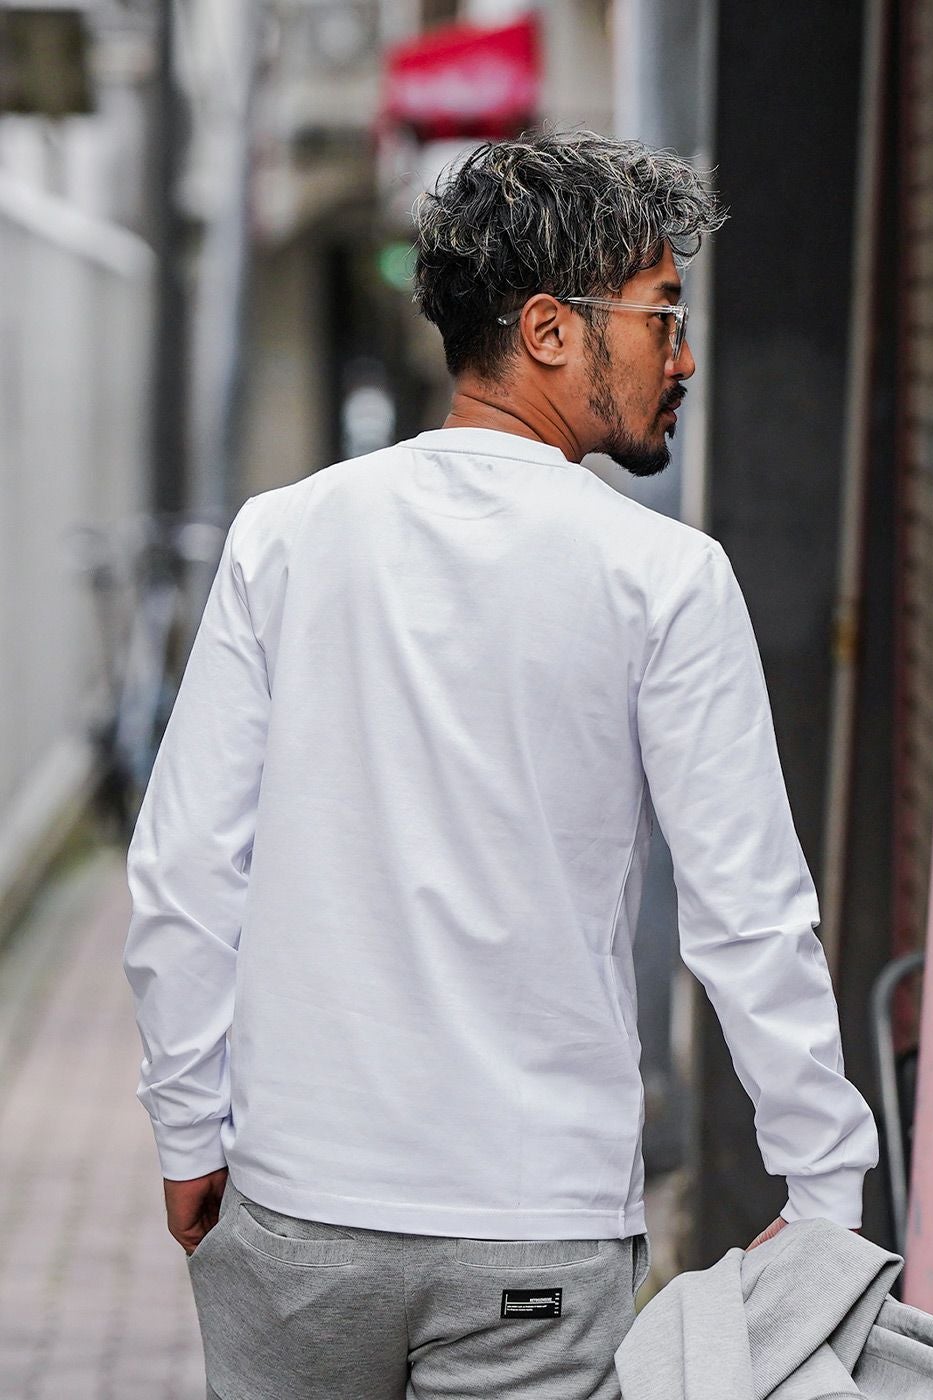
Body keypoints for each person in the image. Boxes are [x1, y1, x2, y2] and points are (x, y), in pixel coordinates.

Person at [123, 128, 878, 1400]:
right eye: (662, 315)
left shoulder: (285, 538)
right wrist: (824, 1191)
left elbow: (185, 870)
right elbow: (746, 907)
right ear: (548, 330)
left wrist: (189, 1124)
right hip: (537, 1222)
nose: (683, 356)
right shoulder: (663, 576)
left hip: (299, 1203)